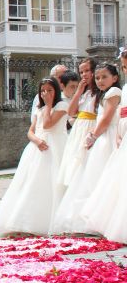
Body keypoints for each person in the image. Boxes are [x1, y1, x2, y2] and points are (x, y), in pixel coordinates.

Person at [0, 77, 69, 236]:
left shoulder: (62, 106)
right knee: (31, 182)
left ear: (56, 91)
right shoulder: (39, 109)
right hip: (37, 148)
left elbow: (48, 124)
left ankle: (53, 221)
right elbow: (31, 131)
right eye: (43, 91)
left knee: (52, 182)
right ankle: (24, 220)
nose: (46, 93)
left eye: (49, 90)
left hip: (55, 147)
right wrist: (37, 141)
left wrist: (48, 105)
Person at [52, 63, 121, 234]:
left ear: (114, 77)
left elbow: (106, 119)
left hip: (102, 134)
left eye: (102, 76)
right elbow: (72, 111)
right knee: (86, 173)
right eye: (97, 77)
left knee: (99, 175)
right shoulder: (90, 92)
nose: (99, 80)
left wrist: (93, 136)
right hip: (89, 131)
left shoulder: (109, 94)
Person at [88, 49, 127, 242]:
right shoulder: (125, 89)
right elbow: (123, 115)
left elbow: (111, 116)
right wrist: (121, 134)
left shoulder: (115, 91)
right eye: (126, 67)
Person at [56, 58, 98, 190]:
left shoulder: (100, 92)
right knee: (74, 164)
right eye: (81, 72)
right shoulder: (84, 93)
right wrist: (79, 91)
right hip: (79, 129)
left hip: (91, 126)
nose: (84, 74)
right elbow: (71, 111)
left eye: (87, 71)